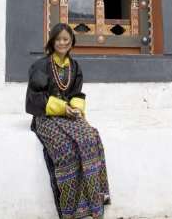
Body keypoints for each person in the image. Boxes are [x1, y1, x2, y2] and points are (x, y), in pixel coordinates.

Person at [25, 23, 111, 219]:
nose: (62, 42)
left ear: (71, 41)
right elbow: (33, 99)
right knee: (66, 148)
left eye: (66, 39)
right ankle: (71, 209)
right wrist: (62, 108)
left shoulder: (74, 66)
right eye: (59, 39)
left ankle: (93, 201)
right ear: (52, 41)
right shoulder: (41, 66)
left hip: (70, 116)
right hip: (46, 117)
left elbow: (76, 93)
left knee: (90, 137)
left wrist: (75, 109)